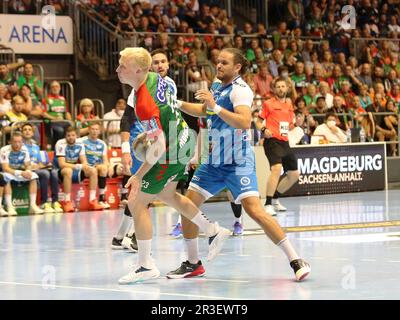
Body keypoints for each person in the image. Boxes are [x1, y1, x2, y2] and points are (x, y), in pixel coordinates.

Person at [169, 48, 310, 281]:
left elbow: (244, 122)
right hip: (214, 161)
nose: (219, 65)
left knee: (255, 211)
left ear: (237, 68)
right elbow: (204, 111)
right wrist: (177, 103)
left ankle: (295, 259)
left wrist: (215, 107)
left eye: (224, 62)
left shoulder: (241, 90)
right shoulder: (217, 86)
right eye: (218, 61)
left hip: (237, 162)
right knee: (187, 207)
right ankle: (193, 263)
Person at [116, 47, 230, 284]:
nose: (117, 69)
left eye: (122, 66)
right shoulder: (154, 78)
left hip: (172, 149)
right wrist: (151, 134)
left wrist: (137, 175)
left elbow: (158, 148)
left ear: (138, 70)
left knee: (137, 202)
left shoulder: (144, 103)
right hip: (184, 139)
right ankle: (212, 230)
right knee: (168, 195)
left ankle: (145, 265)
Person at [256, 78, 300, 217]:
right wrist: (264, 130)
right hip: (272, 141)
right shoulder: (268, 104)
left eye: (283, 86)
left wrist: (297, 123)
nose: (281, 89)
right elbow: (258, 121)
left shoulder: (289, 104)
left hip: (285, 141)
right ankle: (267, 204)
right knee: (276, 169)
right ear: (274, 89)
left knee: (294, 175)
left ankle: (275, 199)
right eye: (278, 86)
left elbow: (289, 125)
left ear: (287, 88)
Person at [54, 126, 104, 213]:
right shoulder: (60, 143)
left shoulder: (80, 144)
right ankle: (67, 201)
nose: (71, 137)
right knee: (68, 170)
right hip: (60, 170)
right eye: (68, 135)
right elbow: (62, 164)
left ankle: (92, 200)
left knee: (93, 170)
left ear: (76, 136)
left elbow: (84, 161)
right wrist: (79, 166)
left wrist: (86, 166)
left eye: (73, 135)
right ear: (65, 136)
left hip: (75, 168)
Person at [21, 123, 63, 213]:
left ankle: (54, 201)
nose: (27, 131)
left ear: (33, 133)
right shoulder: (19, 146)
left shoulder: (36, 146)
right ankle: (43, 202)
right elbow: (20, 162)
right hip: (27, 170)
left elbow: (40, 161)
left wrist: (43, 165)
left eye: (29, 130)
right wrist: (32, 166)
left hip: (38, 168)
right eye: (25, 130)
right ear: (22, 133)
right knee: (45, 173)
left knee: (54, 172)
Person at [0, 131, 44, 216]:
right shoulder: (4, 150)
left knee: (33, 176)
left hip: (19, 171)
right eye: (15, 142)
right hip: (8, 171)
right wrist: (21, 172)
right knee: (6, 178)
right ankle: (10, 207)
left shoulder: (24, 149)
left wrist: (28, 171)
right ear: (10, 142)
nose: (17, 144)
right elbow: (5, 168)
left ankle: (33, 205)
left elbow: (27, 165)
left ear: (22, 142)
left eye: (19, 142)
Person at [78, 122, 111, 209]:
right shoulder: (81, 141)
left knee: (104, 168)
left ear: (99, 131)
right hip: (86, 167)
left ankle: (101, 198)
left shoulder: (102, 143)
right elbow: (72, 135)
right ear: (88, 130)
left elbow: (105, 160)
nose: (94, 131)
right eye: (92, 129)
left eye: (97, 129)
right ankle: (92, 200)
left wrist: (108, 166)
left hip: (98, 166)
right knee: (95, 170)